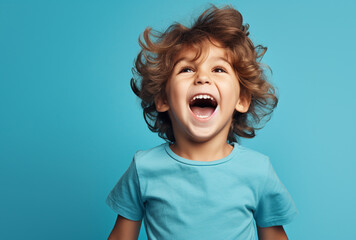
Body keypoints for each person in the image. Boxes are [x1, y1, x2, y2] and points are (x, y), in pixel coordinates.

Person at [106, 5, 298, 240]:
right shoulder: (143, 168)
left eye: (218, 69)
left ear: (242, 99)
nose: (203, 78)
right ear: (163, 99)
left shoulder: (258, 171)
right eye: (187, 69)